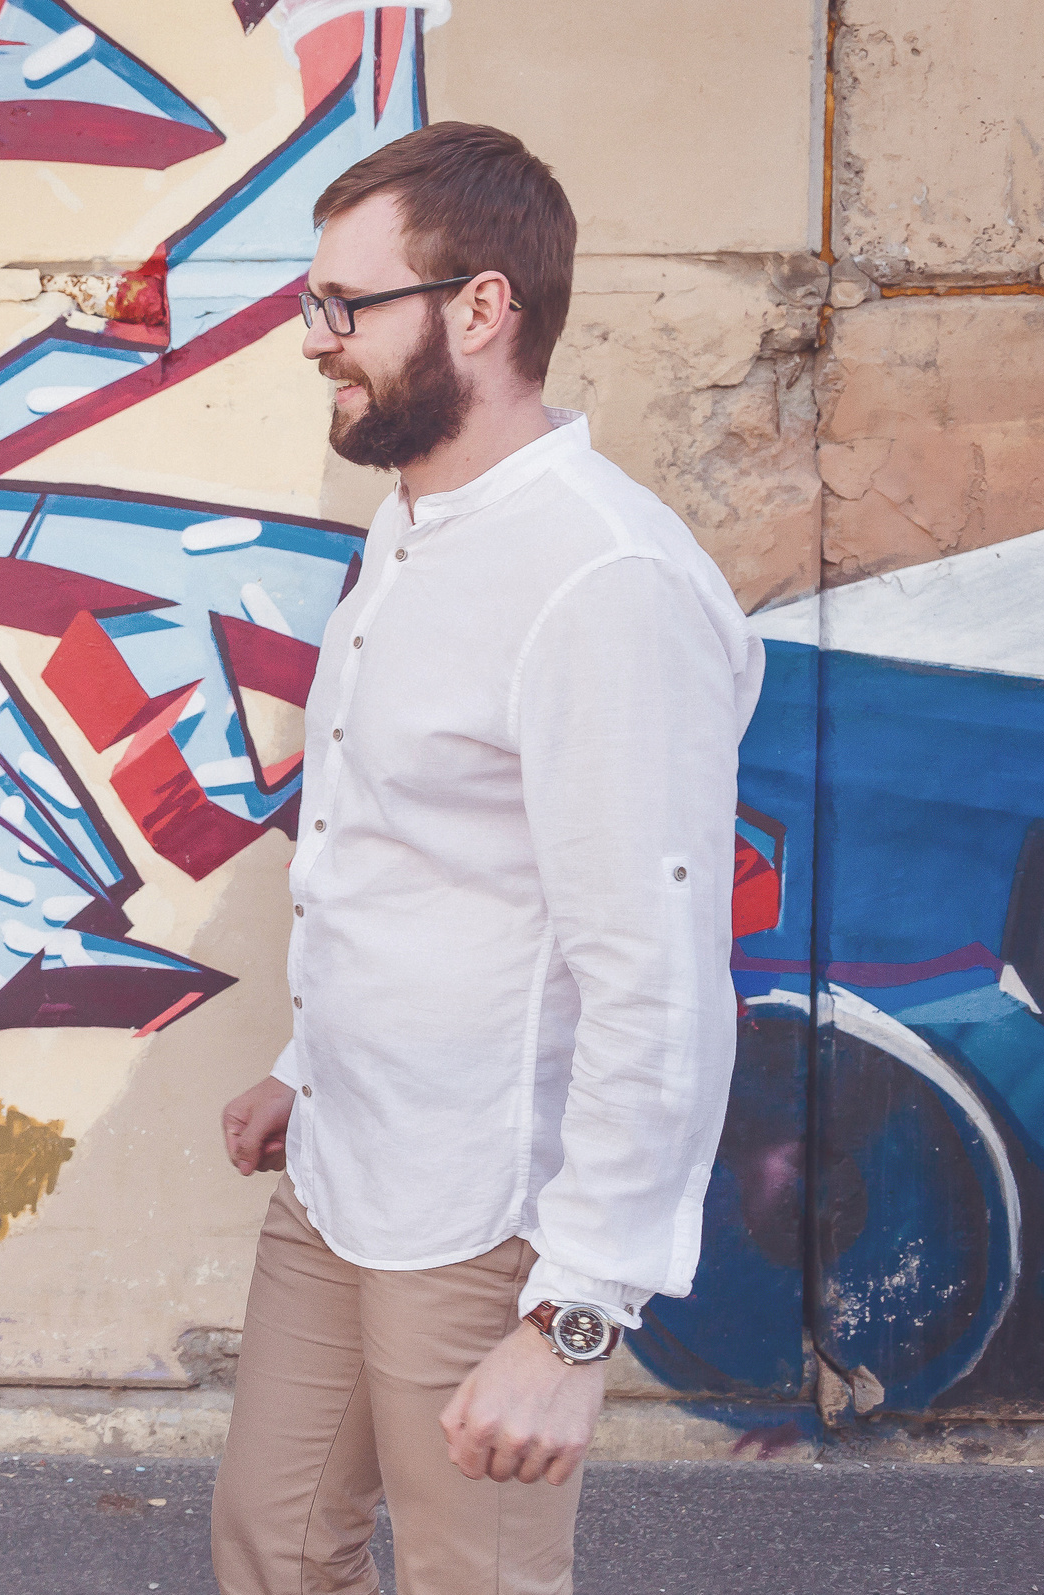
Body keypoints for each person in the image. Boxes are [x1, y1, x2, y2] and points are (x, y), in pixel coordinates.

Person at [209, 122, 763, 1594]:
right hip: (343, 1155)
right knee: (272, 1545)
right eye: (309, 302)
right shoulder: (416, 525)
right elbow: (398, 853)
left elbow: (656, 973)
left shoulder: (603, 582)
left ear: (480, 308)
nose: (313, 338)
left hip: (484, 1203)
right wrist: (303, 1054)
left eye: (345, 305)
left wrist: (576, 1318)